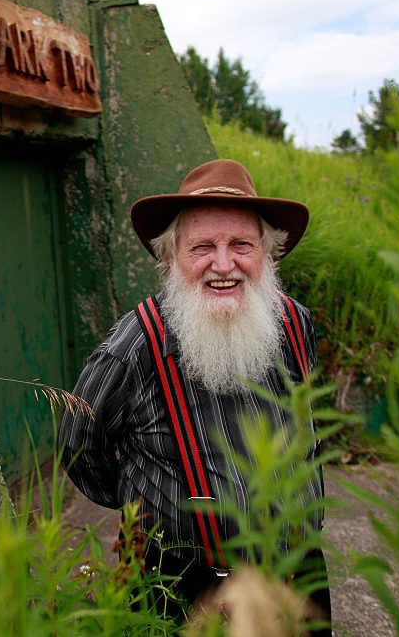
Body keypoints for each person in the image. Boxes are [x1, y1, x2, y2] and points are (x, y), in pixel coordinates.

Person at [58, 158, 330, 630]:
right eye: (203, 246)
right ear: (170, 258)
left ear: (268, 253)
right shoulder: (134, 345)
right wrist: (144, 498)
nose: (223, 265)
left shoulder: (295, 321)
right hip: (184, 587)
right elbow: (80, 446)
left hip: (298, 572)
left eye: (241, 245)